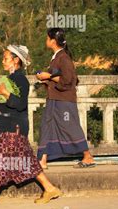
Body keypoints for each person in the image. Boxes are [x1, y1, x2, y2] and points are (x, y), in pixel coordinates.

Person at [0, 45, 62, 207]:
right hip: (11, 128)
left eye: (6, 58)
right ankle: (50, 188)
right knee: (27, 160)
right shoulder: (9, 79)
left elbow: (20, 104)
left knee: (1, 160)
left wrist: (6, 93)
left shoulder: (21, 80)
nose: (3, 61)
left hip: (14, 128)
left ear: (16, 60)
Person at [36, 28, 96, 169]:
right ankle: (42, 160)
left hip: (64, 101)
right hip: (54, 99)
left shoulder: (63, 58)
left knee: (69, 126)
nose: (46, 41)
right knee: (47, 126)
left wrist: (48, 76)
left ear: (53, 41)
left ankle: (87, 156)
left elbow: (68, 80)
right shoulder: (57, 57)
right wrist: (46, 80)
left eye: (47, 38)